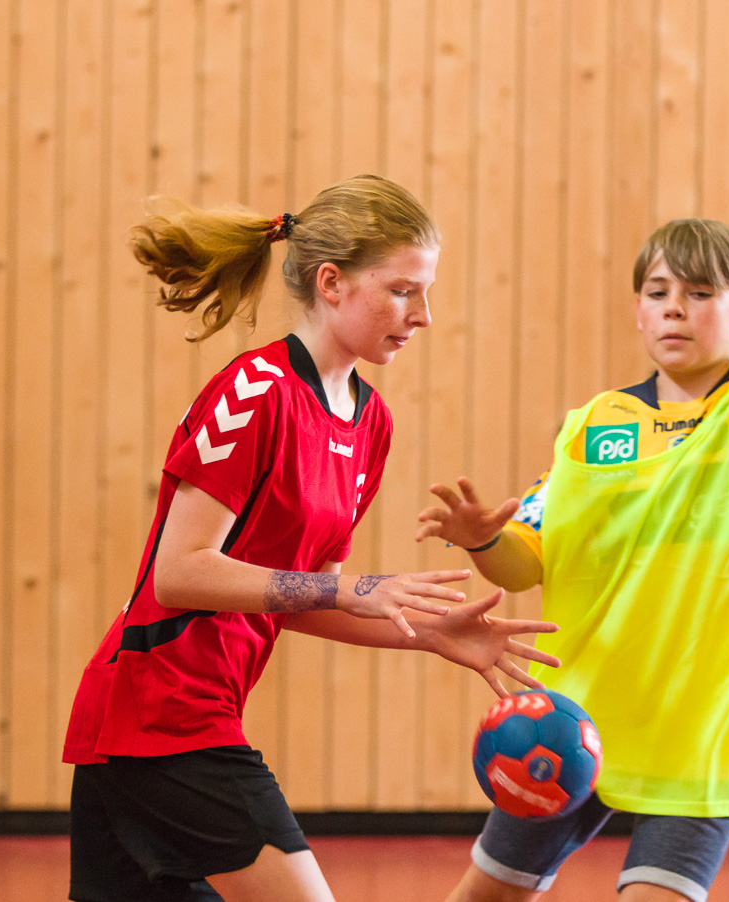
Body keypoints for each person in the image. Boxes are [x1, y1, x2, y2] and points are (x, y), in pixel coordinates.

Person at [417, 146, 729, 902]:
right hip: (568, 727)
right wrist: (483, 538)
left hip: (700, 740)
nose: (674, 307)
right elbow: (527, 561)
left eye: (699, 292)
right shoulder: (596, 424)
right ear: (638, 310)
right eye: (657, 292)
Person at [64, 174, 561, 902]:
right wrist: (349, 587)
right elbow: (180, 572)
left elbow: (302, 598)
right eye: (402, 290)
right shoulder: (255, 392)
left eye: (426, 292)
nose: (423, 315)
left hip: (176, 719)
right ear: (331, 282)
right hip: (158, 709)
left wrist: (431, 633)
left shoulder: (370, 423)